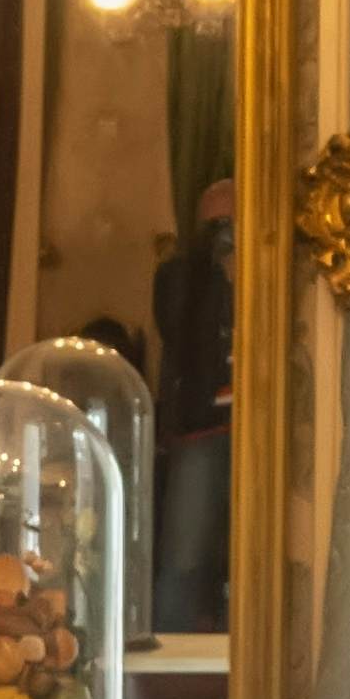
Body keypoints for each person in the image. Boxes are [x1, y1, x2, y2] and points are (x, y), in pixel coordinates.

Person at [149, 175, 235, 636]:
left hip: (261, 429)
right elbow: (179, 335)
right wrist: (213, 271)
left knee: (255, 556)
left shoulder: (272, 267)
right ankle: (173, 660)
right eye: (215, 225)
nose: (226, 234)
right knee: (184, 556)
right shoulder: (179, 276)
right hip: (202, 429)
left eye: (234, 222)